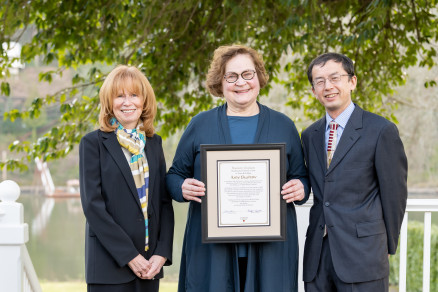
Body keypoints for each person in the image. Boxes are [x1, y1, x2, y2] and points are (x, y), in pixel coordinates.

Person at [166, 44, 310, 292]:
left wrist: (300, 188)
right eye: (231, 76)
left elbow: (302, 178)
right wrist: (182, 187)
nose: (240, 82)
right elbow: (173, 176)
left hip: (271, 251)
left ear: (258, 77)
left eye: (247, 74)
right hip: (212, 251)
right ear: (219, 83)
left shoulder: (283, 126)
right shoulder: (200, 125)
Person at [301, 53, 408, 291]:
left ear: (352, 82)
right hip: (318, 258)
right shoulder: (310, 135)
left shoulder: (381, 131)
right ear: (313, 91)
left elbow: (395, 196)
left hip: (363, 255)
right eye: (319, 81)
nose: (327, 86)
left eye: (334, 78)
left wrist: (386, 247)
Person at [79, 65, 174, 292]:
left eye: (134, 95)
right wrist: (130, 255)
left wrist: (162, 252)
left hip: (150, 267)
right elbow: (93, 206)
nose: (127, 102)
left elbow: (163, 203)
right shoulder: (93, 144)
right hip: (109, 267)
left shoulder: (153, 143)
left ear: (144, 101)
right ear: (109, 102)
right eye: (119, 96)